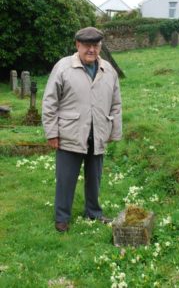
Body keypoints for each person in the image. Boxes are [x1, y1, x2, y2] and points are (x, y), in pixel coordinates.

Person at [42, 27, 122, 232]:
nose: (91, 50)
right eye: (87, 46)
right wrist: (52, 133)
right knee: (66, 178)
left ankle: (93, 212)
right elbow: (50, 102)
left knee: (94, 178)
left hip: (98, 133)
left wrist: (114, 131)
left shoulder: (108, 71)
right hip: (70, 132)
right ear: (78, 45)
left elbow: (116, 104)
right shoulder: (63, 68)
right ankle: (62, 217)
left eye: (96, 46)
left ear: (100, 47)